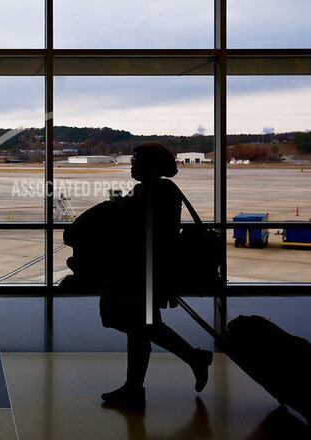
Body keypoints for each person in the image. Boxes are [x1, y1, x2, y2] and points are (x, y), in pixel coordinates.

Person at [98, 143, 213, 411]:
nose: (131, 163)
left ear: (149, 165)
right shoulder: (161, 190)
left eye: (136, 159)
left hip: (144, 272)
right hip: (149, 271)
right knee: (142, 327)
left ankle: (192, 358)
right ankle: (134, 386)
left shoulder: (155, 191)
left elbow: (134, 225)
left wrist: (116, 207)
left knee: (141, 326)